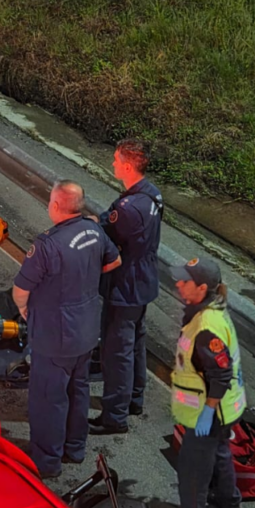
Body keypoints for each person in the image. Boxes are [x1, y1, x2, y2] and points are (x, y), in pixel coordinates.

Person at [12, 181, 121, 479]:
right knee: (79, 390)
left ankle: (46, 461)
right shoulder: (93, 230)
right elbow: (115, 261)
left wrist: (25, 308)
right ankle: (75, 448)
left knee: (49, 398)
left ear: (57, 206)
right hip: (86, 330)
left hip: (55, 336)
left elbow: (21, 289)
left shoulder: (47, 244)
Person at [162, 256, 246, 508]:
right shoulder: (209, 311)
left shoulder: (206, 326)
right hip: (228, 408)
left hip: (211, 412)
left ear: (202, 287)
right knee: (220, 453)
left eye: (185, 281)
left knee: (193, 470)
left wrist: (208, 412)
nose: (178, 284)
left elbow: (220, 374)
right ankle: (227, 503)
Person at [90, 139, 164, 435]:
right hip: (144, 281)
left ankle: (114, 416)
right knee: (136, 344)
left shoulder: (129, 207)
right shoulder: (153, 195)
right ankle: (134, 399)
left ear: (129, 165)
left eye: (116, 159)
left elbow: (105, 229)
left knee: (116, 352)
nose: (113, 164)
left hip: (125, 285)